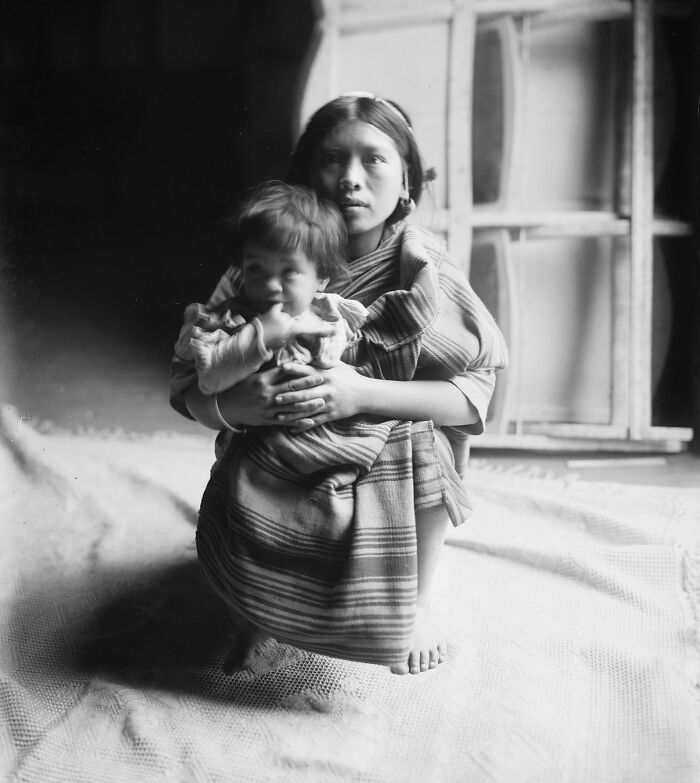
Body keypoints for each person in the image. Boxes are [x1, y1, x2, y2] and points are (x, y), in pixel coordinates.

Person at [170, 93, 509, 676]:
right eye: (331, 160)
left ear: (405, 179)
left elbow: (471, 397)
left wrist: (358, 393)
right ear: (307, 174)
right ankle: (261, 603)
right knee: (253, 474)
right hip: (281, 436)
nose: (350, 180)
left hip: (386, 443)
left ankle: (417, 602)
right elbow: (188, 386)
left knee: (426, 445)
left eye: (374, 160)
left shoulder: (425, 270)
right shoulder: (267, 260)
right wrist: (232, 406)